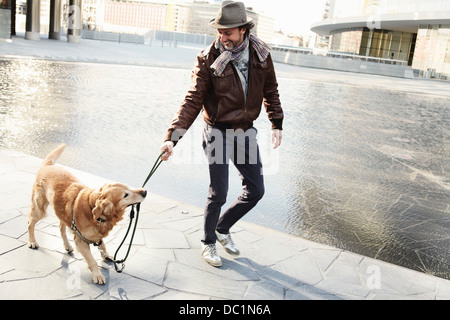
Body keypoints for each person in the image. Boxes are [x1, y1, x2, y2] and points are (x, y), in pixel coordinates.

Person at [160, 1, 284, 267]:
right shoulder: (208, 57)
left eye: (228, 32)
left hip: (245, 132)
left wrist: (276, 122)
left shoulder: (261, 55)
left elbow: (270, 89)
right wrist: (172, 138)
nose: (222, 37)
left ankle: (222, 227)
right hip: (216, 130)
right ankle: (208, 243)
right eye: (219, 31)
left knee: (256, 190)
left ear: (242, 30)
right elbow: (192, 100)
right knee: (218, 192)